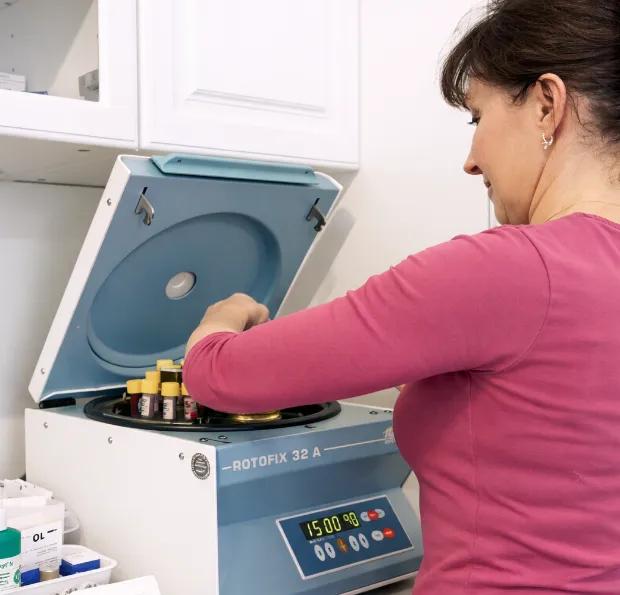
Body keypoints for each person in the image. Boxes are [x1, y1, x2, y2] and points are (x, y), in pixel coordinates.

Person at [184, 0, 620, 592]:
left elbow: (219, 375)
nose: (472, 161)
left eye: (477, 116)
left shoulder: (507, 269)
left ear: (547, 104)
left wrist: (221, 318)